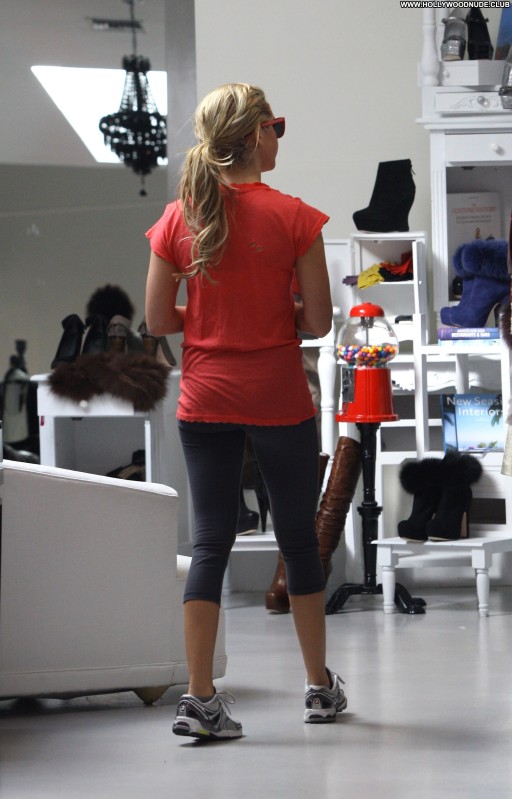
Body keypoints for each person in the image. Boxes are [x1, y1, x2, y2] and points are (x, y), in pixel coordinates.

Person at [145, 83, 346, 740]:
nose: (277, 137)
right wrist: (272, 312)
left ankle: (200, 699)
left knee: (210, 542)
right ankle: (318, 688)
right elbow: (319, 321)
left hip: (205, 398)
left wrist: (211, 315)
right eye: (275, 127)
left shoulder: (179, 217)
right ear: (257, 133)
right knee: (298, 539)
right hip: (277, 399)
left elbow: (157, 319)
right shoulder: (296, 218)